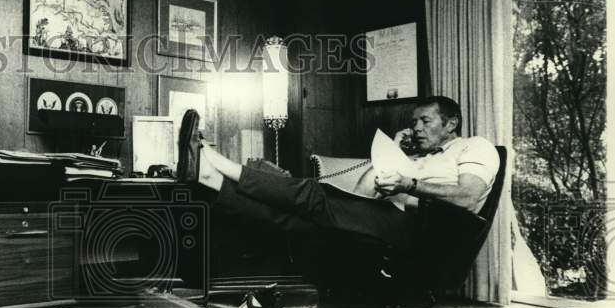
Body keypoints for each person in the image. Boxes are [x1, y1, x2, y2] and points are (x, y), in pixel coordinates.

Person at [178, 96, 500, 252]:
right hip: (389, 216)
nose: (416, 128)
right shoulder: (422, 157)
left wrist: (410, 183)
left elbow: (469, 195)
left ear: (451, 124)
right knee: (295, 219)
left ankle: (216, 163)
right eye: (413, 122)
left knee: (313, 195)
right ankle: (213, 183)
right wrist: (402, 156)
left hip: (424, 232)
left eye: (425, 121)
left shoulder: (475, 147)